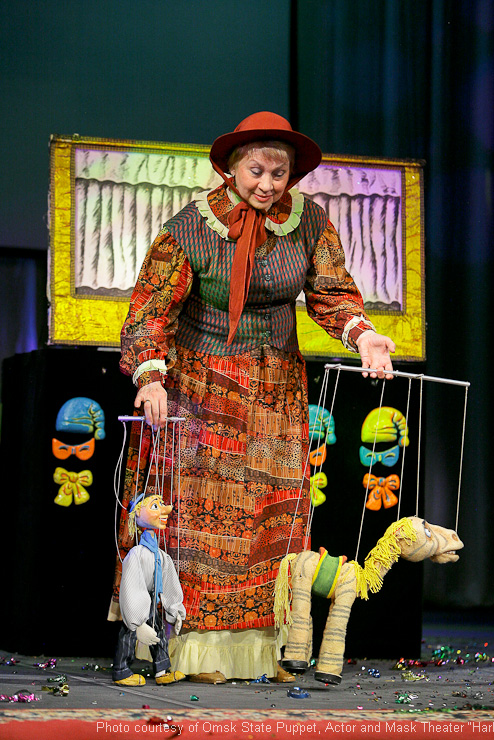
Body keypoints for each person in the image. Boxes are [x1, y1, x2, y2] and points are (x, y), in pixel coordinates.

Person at [109, 111, 395, 683]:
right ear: (232, 168)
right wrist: (151, 376)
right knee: (195, 521)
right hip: (202, 391)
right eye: (256, 171)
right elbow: (148, 310)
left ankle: (268, 649)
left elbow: (332, 293)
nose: (267, 184)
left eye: (278, 173)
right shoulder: (190, 228)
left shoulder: (309, 223)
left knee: (273, 520)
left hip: (275, 390)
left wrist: (364, 335)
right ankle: (180, 649)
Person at [113, 493, 186, 686]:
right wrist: (137, 622)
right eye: (155, 506)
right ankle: (121, 670)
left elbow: (169, 582)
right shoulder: (136, 554)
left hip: (152, 600)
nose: (164, 510)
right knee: (129, 632)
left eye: (162, 504)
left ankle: (162, 670)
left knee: (159, 631)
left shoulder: (161, 555)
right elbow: (131, 587)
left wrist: (175, 610)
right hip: (137, 603)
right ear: (138, 513)